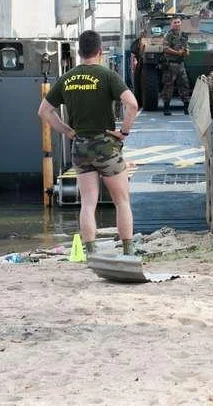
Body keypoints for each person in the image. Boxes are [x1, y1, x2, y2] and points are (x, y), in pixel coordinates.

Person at [37, 30, 140, 257]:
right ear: (100, 52)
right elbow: (132, 104)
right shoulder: (107, 75)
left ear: (79, 53)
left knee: (88, 203)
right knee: (122, 201)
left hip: (80, 147)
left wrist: (67, 130)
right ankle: (128, 250)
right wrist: (123, 132)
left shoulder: (67, 78)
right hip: (106, 147)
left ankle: (91, 252)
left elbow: (44, 111)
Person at [161, 17, 191, 116]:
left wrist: (186, 52)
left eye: (178, 22)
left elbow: (186, 47)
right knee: (168, 86)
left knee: (184, 84)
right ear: (171, 24)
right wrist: (178, 53)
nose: (177, 24)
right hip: (171, 64)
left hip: (180, 64)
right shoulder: (169, 35)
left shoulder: (183, 35)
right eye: (175, 22)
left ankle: (186, 107)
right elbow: (165, 48)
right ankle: (166, 108)